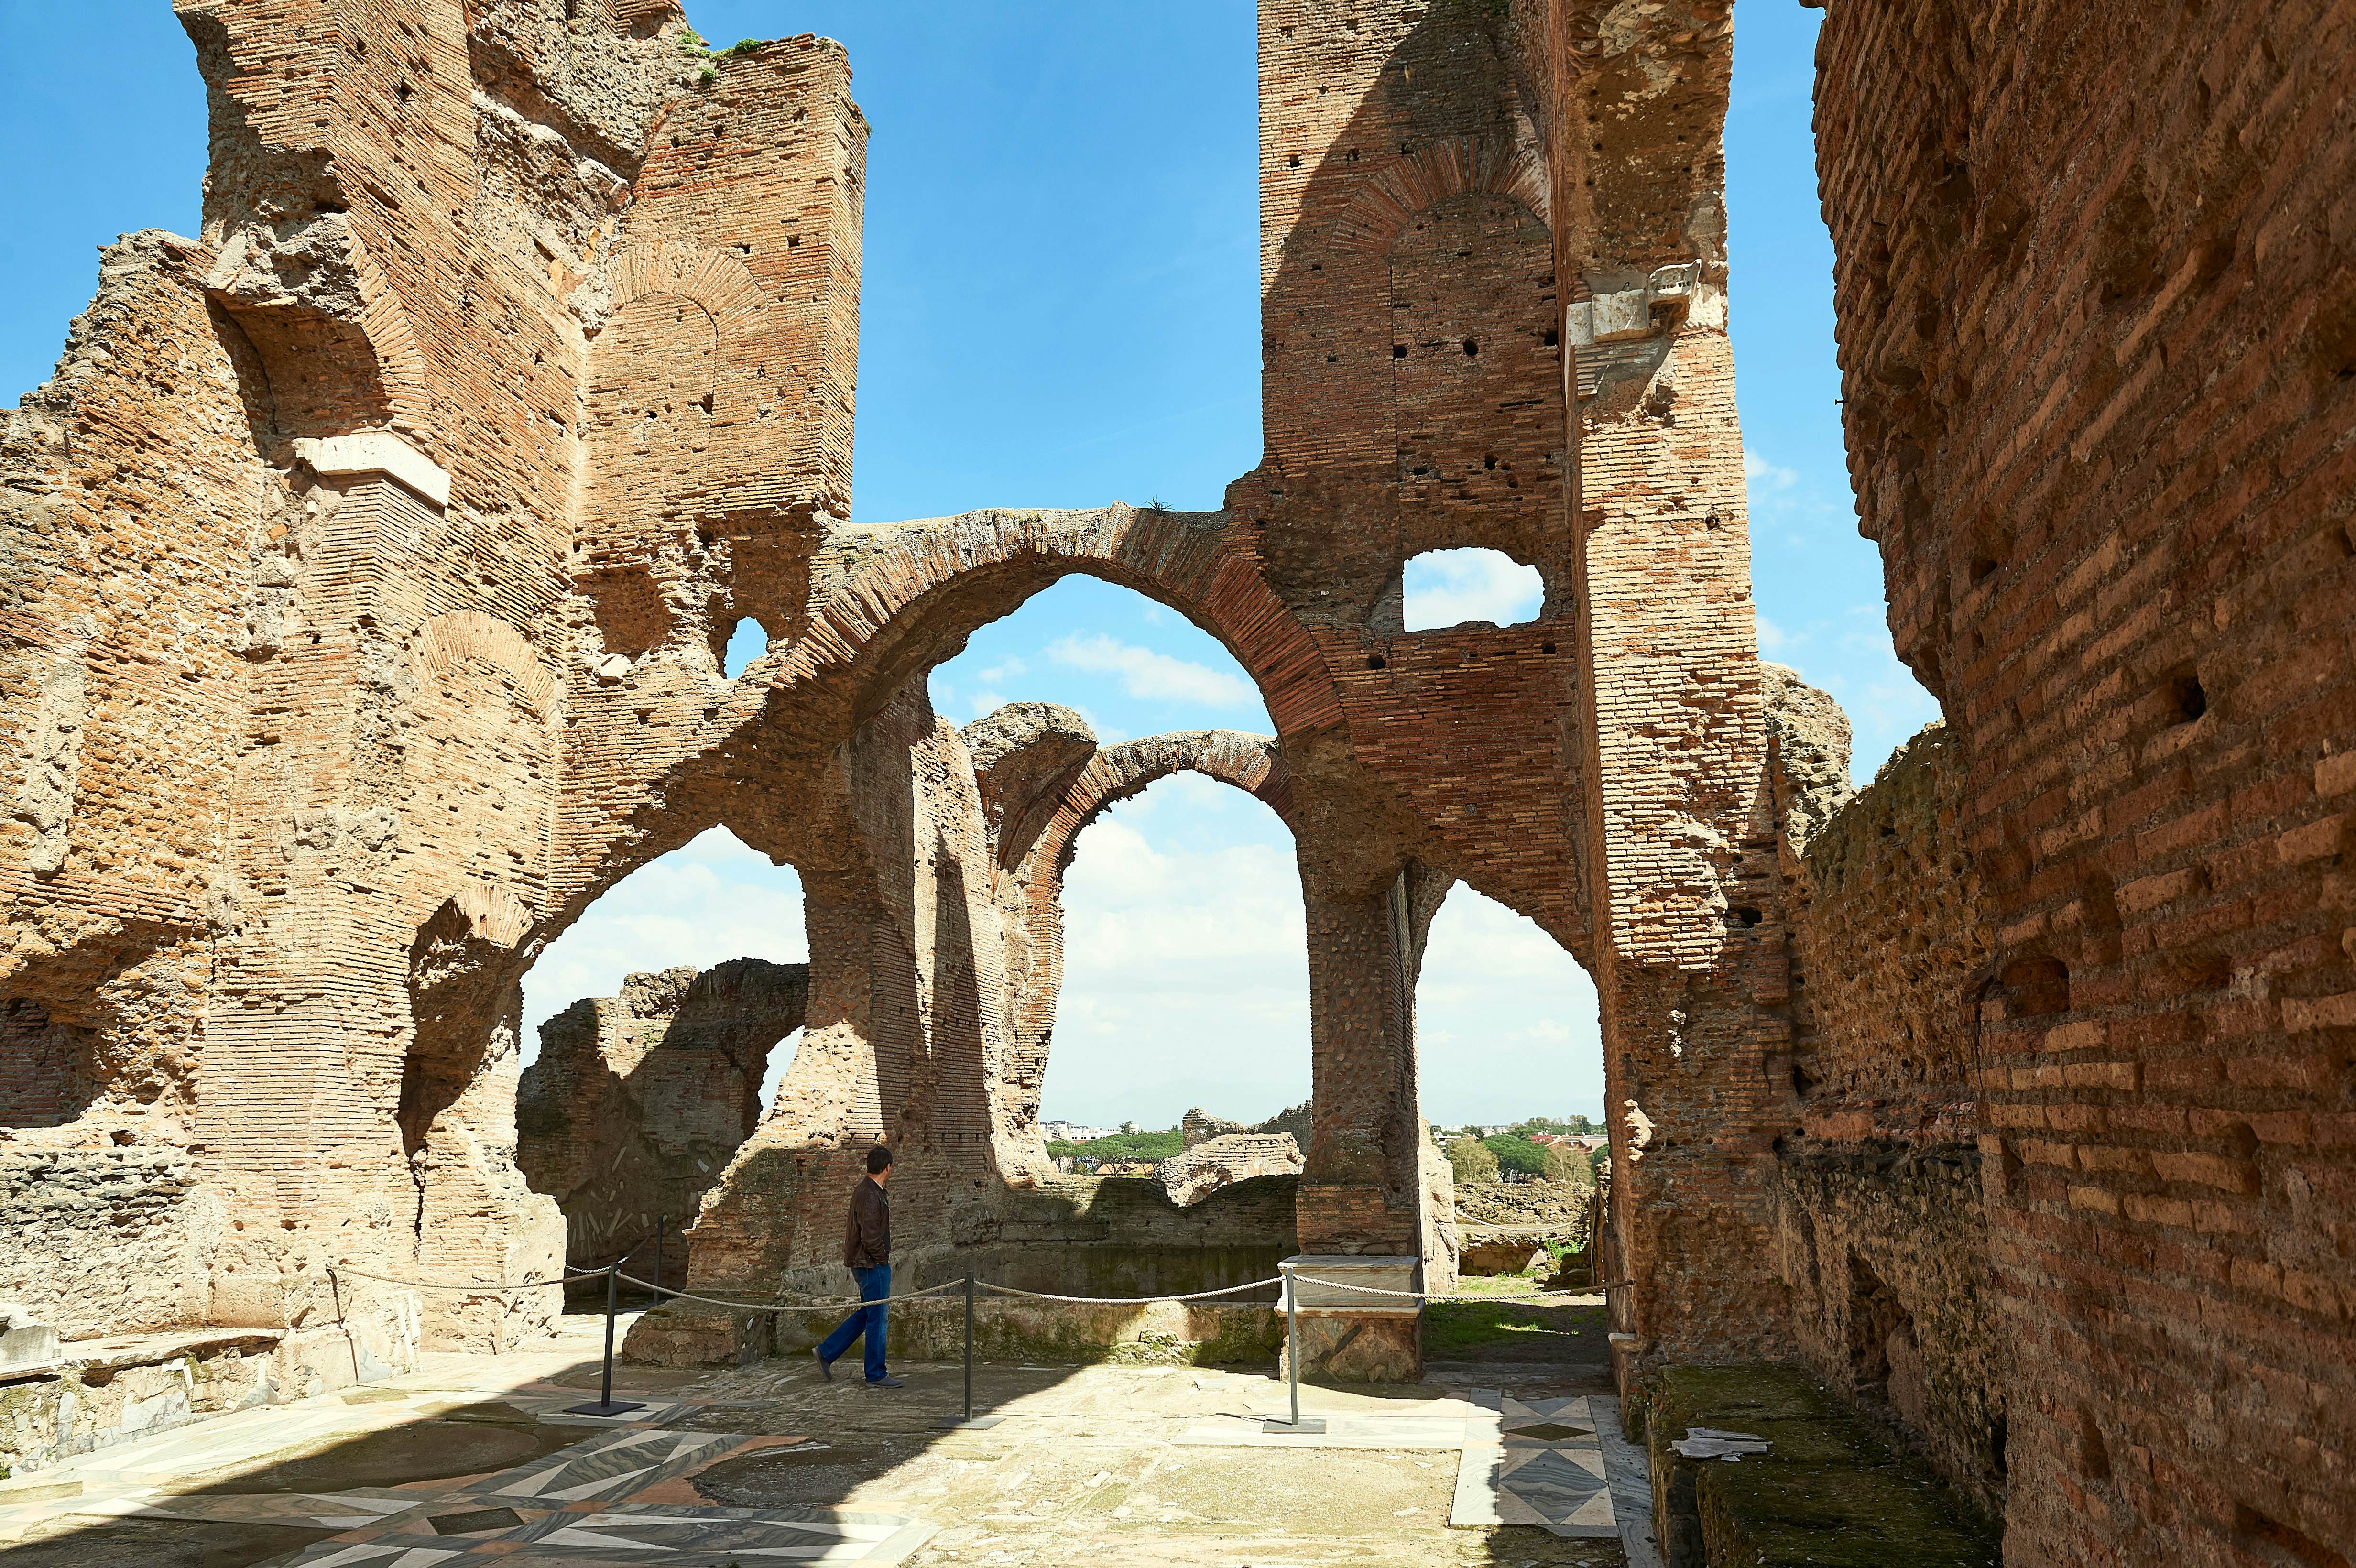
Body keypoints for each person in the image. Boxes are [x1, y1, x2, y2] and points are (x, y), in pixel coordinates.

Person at [814, 1144, 901, 1388]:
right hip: (871, 1264)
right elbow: (870, 1235)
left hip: (867, 1262)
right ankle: (875, 1374)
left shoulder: (870, 1191)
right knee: (878, 1318)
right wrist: (882, 1260)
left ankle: (826, 1352)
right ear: (888, 1167)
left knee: (868, 1314)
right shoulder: (870, 1194)